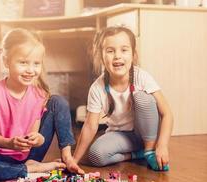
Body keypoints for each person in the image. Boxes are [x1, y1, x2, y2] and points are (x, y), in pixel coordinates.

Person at [0, 28, 83, 182]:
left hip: (30, 154)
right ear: (6, 61)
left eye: (36, 63)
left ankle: (67, 156)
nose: (30, 70)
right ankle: (31, 169)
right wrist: (10, 143)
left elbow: (35, 135)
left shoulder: (38, 94)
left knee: (58, 101)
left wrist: (38, 139)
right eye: (23, 63)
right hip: (1, 158)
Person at [67, 26, 173, 172]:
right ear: (102, 56)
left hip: (144, 133)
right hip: (120, 137)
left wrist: (162, 145)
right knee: (96, 155)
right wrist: (75, 160)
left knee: (143, 97)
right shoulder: (97, 88)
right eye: (110, 51)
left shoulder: (142, 77)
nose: (117, 56)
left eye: (124, 50)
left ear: (133, 55)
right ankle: (135, 154)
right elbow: (90, 126)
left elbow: (167, 113)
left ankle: (149, 150)